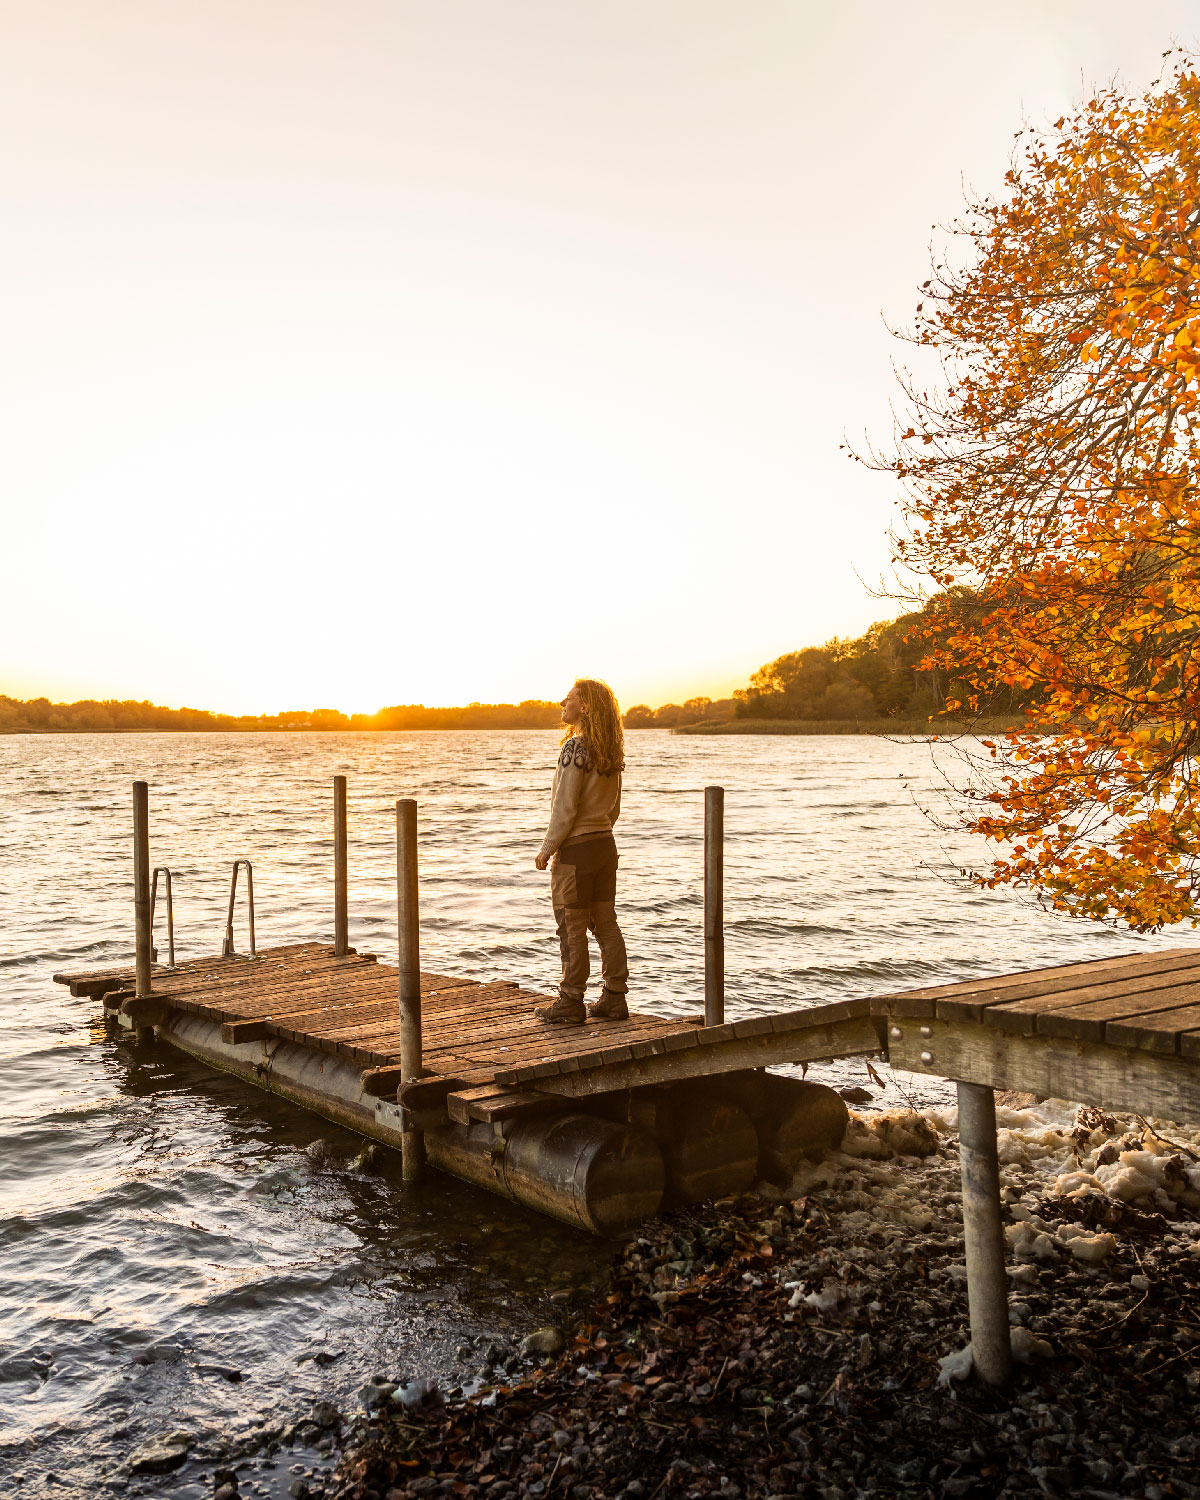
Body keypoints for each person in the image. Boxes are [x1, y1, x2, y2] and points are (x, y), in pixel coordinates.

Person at [533, 678, 629, 1024]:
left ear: (584, 707)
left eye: (570, 699)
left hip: (577, 850)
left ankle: (571, 1002)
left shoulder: (575, 748)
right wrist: (600, 831)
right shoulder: (610, 751)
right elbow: (614, 808)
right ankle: (614, 998)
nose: (563, 702)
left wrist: (548, 847)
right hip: (605, 846)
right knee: (605, 923)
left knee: (571, 927)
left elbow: (565, 809)